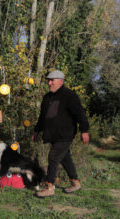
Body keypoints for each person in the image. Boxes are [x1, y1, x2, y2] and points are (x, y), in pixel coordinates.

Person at [32, 70, 90, 198]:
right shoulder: (47, 97)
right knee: (65, 158)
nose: (49, 83)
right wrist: (37, 130)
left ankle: (49, 186)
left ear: (60, 81)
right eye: (48, 80)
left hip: (66, 134)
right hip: (52, 134)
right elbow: (42, 117)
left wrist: (84, 130)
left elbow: (80, 114)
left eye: (52, 80)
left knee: (53, 156)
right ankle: (75, 182)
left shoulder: (69, 96)